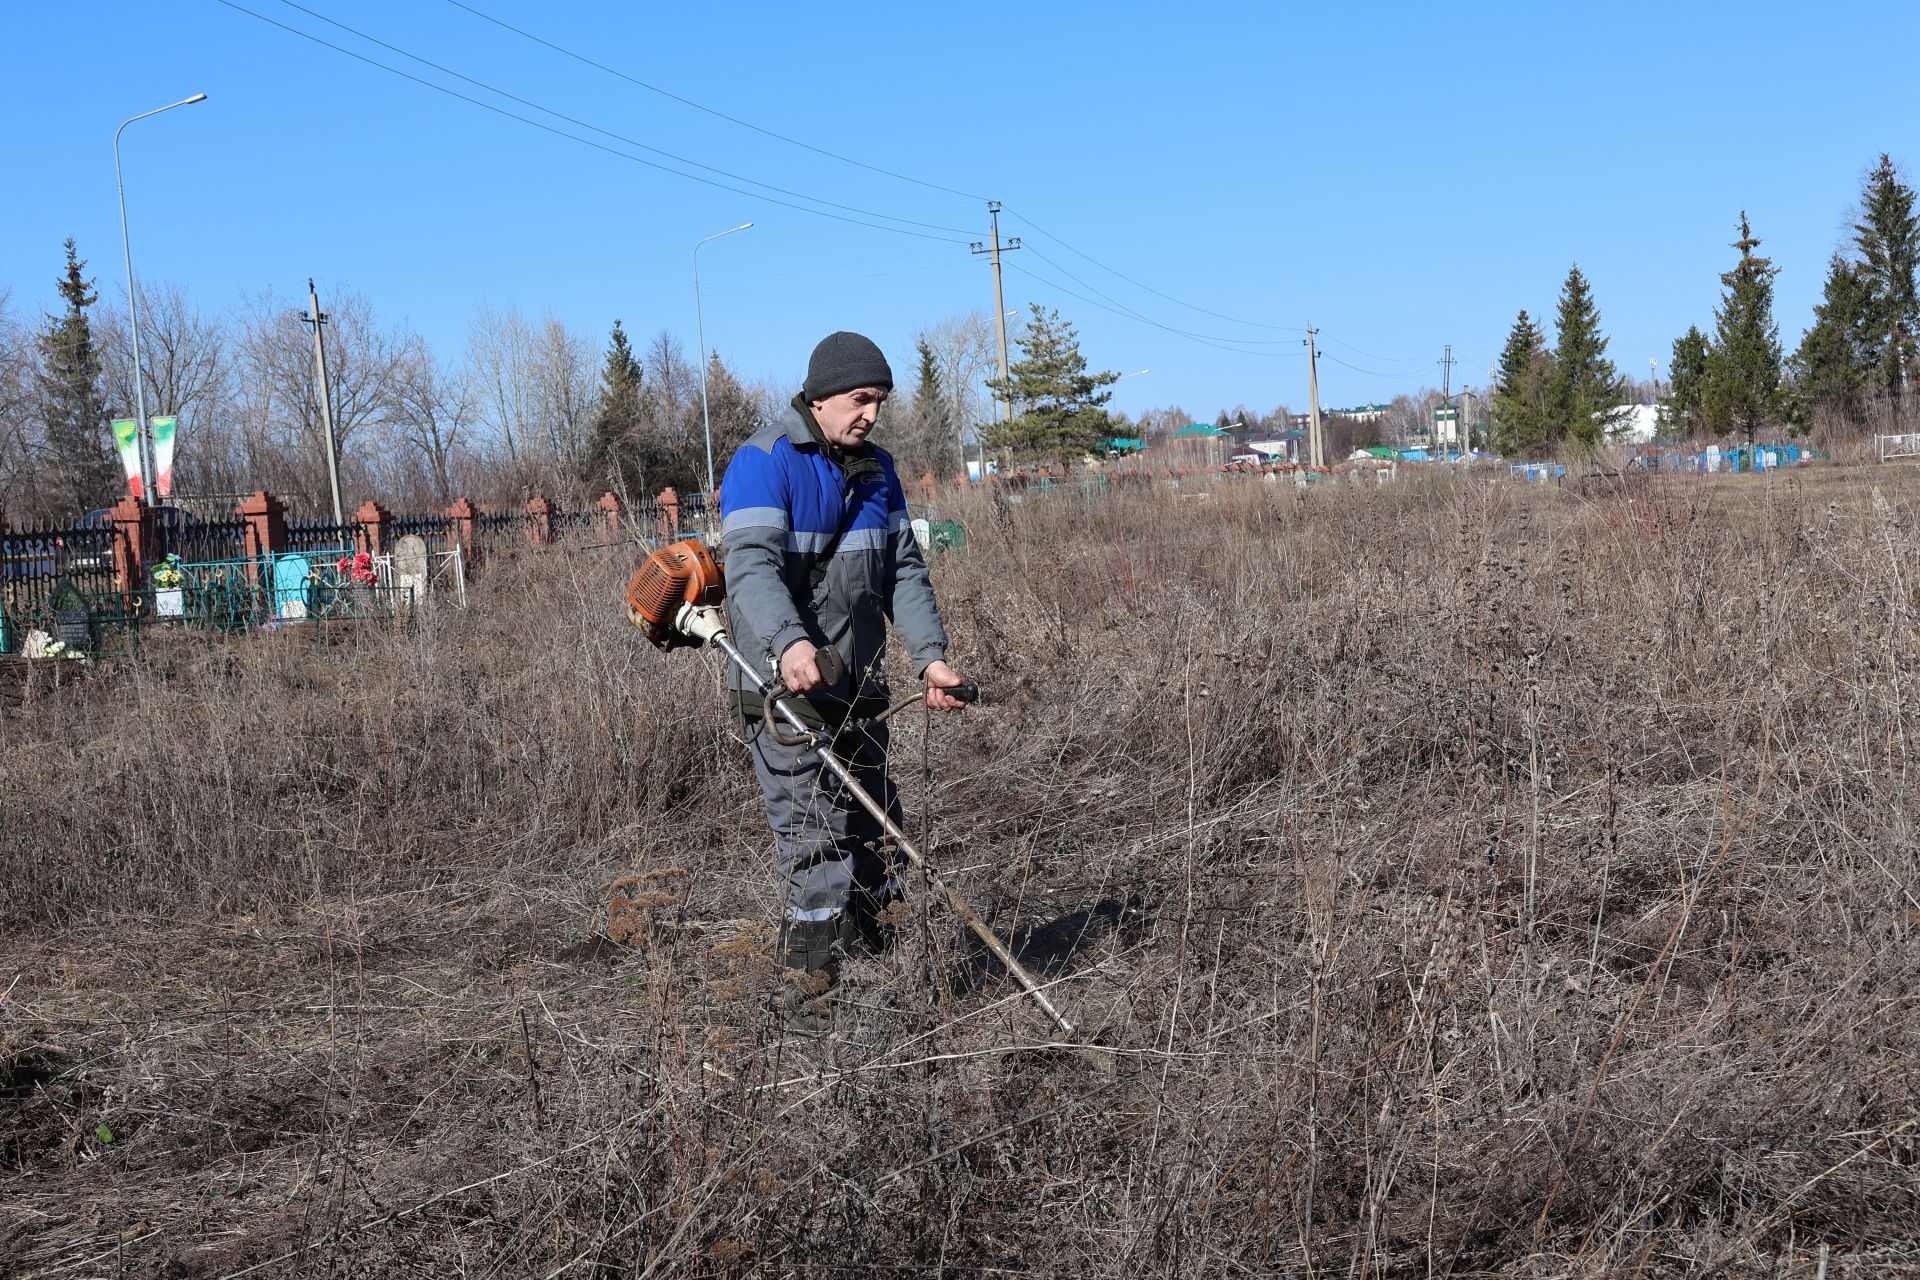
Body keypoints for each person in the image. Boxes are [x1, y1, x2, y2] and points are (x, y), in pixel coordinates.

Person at [718, 331, 969, 1018]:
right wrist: (789, 644)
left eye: (880, 403)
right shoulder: (763, 463)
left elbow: (905, 574)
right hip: (784, 695)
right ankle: (811, 1003)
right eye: (861, 400)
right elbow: (750, 570)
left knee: (874, 832)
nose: (872, 416)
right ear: (821, 397)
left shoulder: (878, 471)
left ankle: (882, 983)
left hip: (861, 689)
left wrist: (931, 660)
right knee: (814, 842)